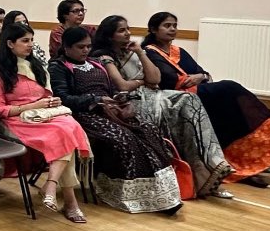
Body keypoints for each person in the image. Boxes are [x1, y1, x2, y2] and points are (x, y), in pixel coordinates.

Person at [90, 15, 233, 198]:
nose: (128, 34)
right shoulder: (104, 57)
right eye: (121, 30)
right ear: (110, 35)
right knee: (185, 103)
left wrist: (141, 53)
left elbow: (155, 79)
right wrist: (142, 81)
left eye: (128, 29)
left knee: (190, 101)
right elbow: (123, 86)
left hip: (152, 95)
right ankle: (196, 171)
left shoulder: (132, 52)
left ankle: (210, 167)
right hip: (131, 102)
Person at [50, 27, 182, 214]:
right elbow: (63, 97)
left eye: (88, 46)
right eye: (81, 47)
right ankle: (127, 193)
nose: (86, 50)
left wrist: (119, 98)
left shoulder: (96, 63)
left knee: (149, 130)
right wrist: (95, 100)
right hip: (84, 114)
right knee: (123, 138)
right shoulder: (58, 66)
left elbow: (110, 89)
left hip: (111, 109)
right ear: (67, 47)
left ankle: (161, 194)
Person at [143, 11, 270, 183]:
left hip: (198, 90)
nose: (172, 29)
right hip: (176, 97)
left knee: (230, 104)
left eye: (175, 26)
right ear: (154, 29)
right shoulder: (150, 52)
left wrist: (201, 76)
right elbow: (170, 80)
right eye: (167, 26)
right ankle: (235, 161)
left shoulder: (179, 51)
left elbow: (203, 73)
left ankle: (248, 156)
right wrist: (199, 77)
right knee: (229, 88)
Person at [0, 22, 91, 223]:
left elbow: (45, 97)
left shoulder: (37, 66)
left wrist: (51, 102)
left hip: (42, 116)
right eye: (25, 41)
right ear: (9, 43)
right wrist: (33, 106)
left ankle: (51, 184)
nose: (31, 44)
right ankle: (69, 201)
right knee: (64, 132)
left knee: (69, 125)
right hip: (15, 121)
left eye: (32, 40)